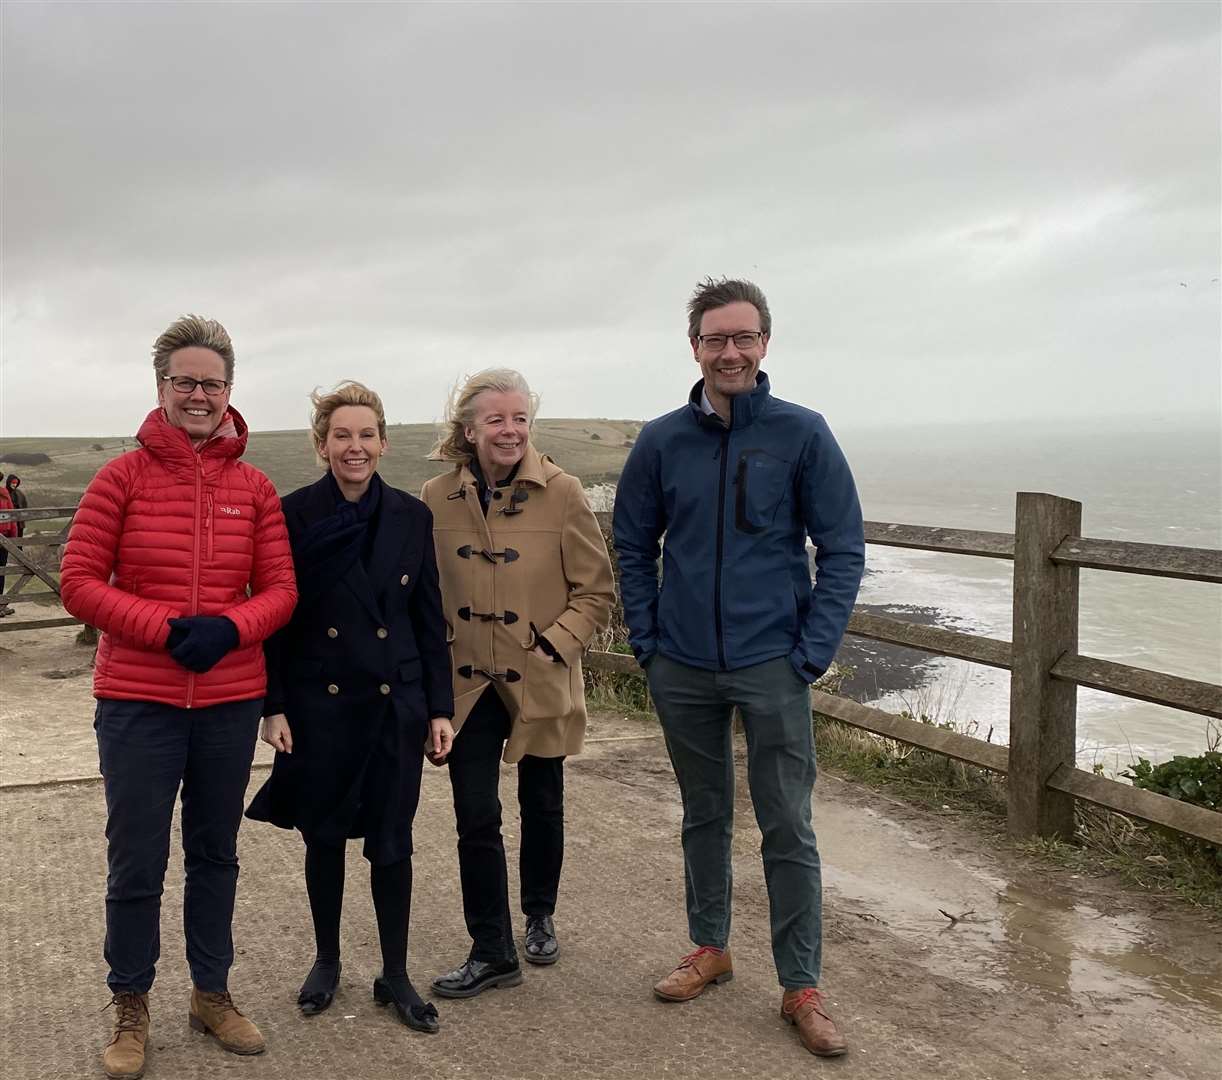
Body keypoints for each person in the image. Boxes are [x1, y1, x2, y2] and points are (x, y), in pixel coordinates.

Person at [613, 278, 865, 1058]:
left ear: (764, 344)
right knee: (704, 814)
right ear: (694, 347)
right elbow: (631, 544)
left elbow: (844, 549)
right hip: (682, 666)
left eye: (743, 338)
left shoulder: (803, 433)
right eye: (715, 339)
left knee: (788, 825)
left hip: (771, 665)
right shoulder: (661, 441)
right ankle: (710, 948)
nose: (730, 351)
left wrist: (812, 653)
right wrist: (648, 646)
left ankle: (802, 986)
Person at [59, 315, 297, 1080]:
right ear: (160, 387)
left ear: (230, 392)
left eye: (213, 383)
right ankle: (131, 1004)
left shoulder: (255, 486)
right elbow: (78, 582)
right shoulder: (119, 479)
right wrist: (167, 629)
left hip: (228, 700)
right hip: (138, 701)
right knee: (136, 861)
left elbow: (283, 591)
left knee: (214, 853)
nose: (199, 395)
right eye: (185, 381)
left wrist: (229, 630)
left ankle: (211, 991)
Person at [246, 381, 454, 1034]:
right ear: (321, 445)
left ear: (384, 443)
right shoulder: (292, 514)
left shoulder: (411, 518)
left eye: (366, 435)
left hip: (396, 706)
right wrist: (271, 706)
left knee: (392, 844)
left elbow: (427, 620)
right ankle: (327, 961)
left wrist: (440, 709)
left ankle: (394, 974)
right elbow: (276, 620)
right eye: (341, 436)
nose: (354, 447)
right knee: (325, 837)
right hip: (321, 707)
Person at [421, 368, 614, 998]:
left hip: (539, 677)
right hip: (467, 684)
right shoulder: (435, 496)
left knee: (543, 801)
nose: (510, 430)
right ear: (470, 428)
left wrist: (552, 646)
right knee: (475, 816)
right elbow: (424, 592)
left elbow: (595, 590)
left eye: (520, 418)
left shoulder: (563, 492)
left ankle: (539, 914)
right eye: (496, 419)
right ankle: (492, 948)